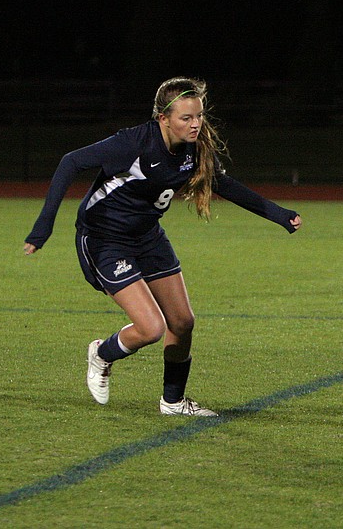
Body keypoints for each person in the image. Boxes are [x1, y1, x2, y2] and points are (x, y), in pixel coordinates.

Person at [24, 77, 302, 416]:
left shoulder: (194, 147)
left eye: (199, 116)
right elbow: (70, 162)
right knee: (151, 329)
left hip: (148, 236)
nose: (196, 124)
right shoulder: (134, 142)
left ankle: (173, 402)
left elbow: (221, 184)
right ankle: (102, 353)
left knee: (183, 322)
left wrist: (278, 214)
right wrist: (44, 225)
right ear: (163, 118)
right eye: (186, 118)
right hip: (104, 239)